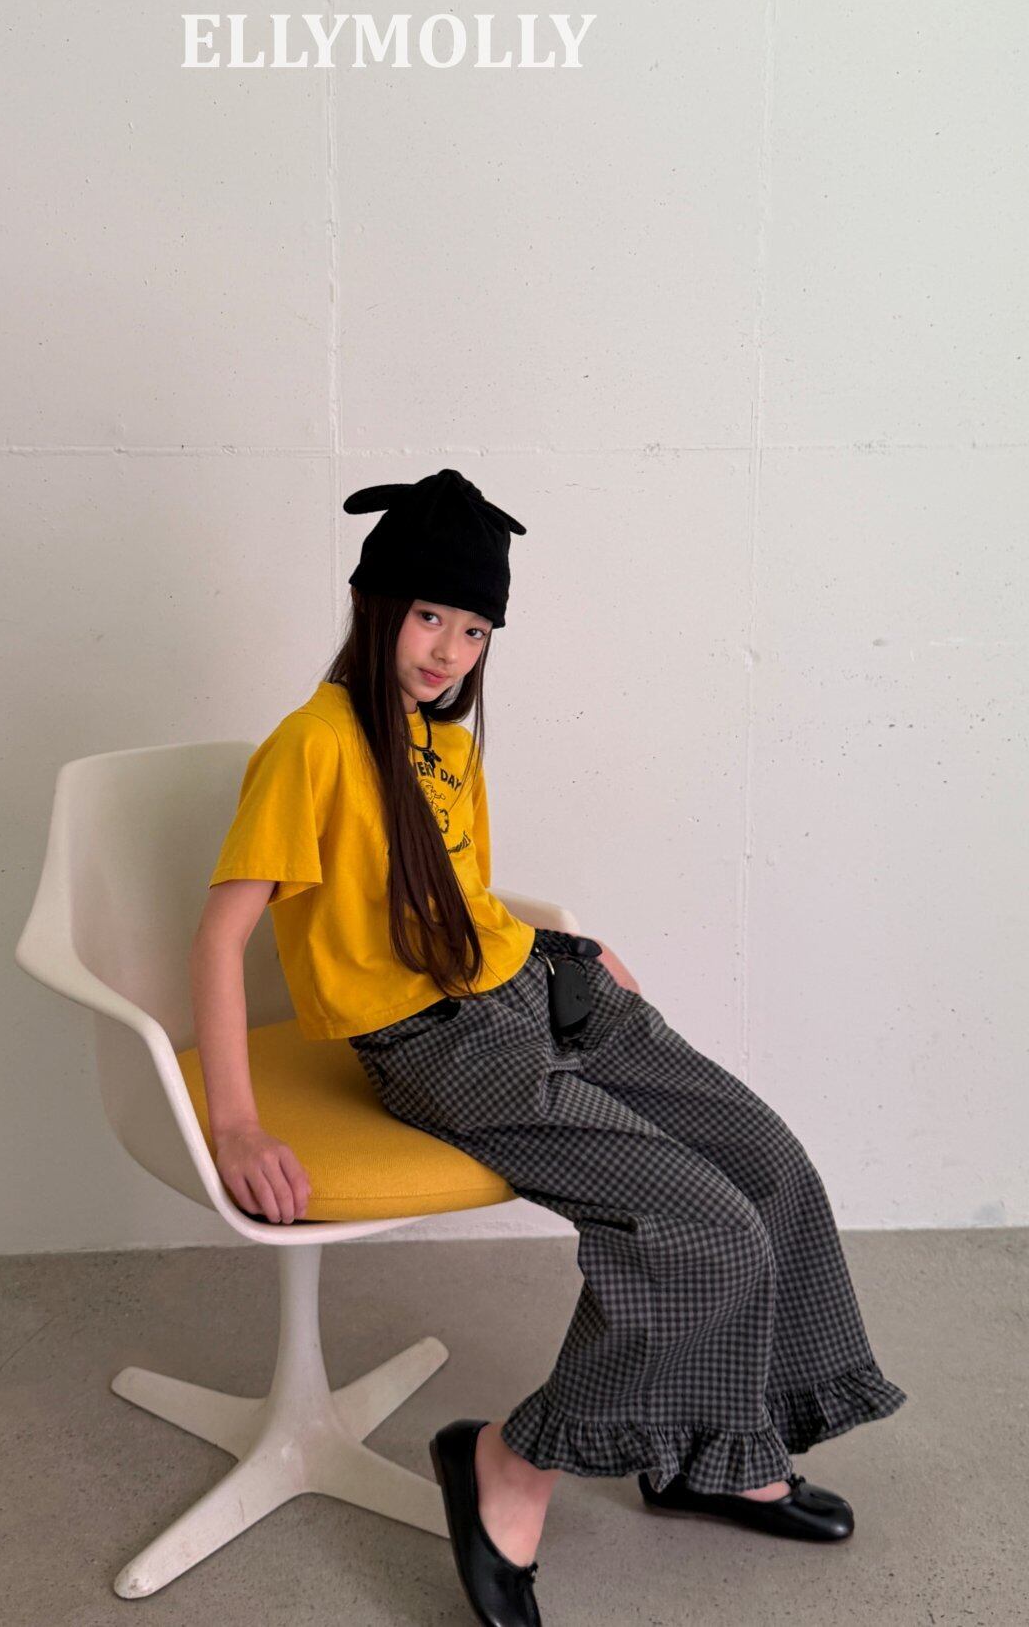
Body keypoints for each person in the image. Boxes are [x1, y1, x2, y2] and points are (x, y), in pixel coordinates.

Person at [190, 468, 907, 1626]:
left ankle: (712, 1454)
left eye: (474, 629)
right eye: (429, 616)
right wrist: (233, 1123)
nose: (448, 651)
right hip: (437, 1043)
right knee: (701, 1226)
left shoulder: (444, 743)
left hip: (535, 989)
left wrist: (562, 947)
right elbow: (221, 937)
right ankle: (509, 1465)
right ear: (375, 605)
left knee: (768, 1165)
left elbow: (462, 906)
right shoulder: (310, 745)